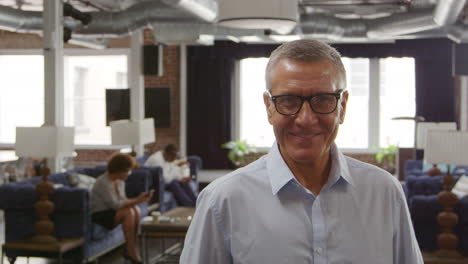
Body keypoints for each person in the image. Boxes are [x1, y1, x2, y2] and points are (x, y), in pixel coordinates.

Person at [180, 39, 423, 263]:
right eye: (288, 100)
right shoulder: (222, 201)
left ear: (343, 106)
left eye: (323, 100)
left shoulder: (384, 193)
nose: (305, 119)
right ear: (269, 107)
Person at [90, 153, 152, 264]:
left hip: (112, 211)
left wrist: (137, 201)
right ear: (119, 170)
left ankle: (131, 248)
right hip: (100, 214)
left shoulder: (119, 182)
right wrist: (137, 200)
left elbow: (123, 201)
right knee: (128, 212)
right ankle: (131, 251)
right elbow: (115, 205)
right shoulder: (103, 182)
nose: (129, 173)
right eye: (127, 171)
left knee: (135, 209)